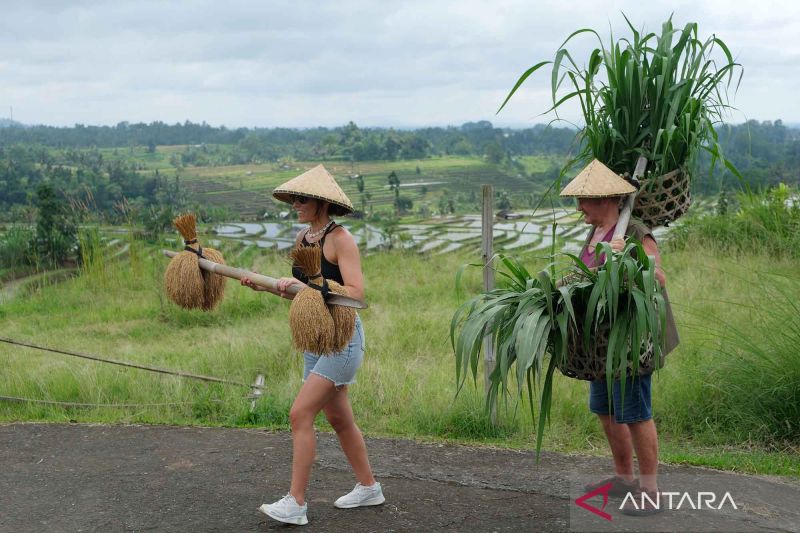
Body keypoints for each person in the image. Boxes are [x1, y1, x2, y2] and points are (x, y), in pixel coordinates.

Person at [241, 165, 383, 526]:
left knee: (299, 414)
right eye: (292, 199)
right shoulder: (303, 239)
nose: (294, 205)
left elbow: (355, 294)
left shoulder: (340, 240)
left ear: (320, 202)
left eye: (300, 199)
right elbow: (304, 299)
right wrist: (268, 287)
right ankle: (369, 487)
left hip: (343, 339)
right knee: (338, 418)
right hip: (315, 339)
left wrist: (305, 288)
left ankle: (296, 502)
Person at [560, 159, 679, 516]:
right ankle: (624, 479)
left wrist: (625, 257)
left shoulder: (635, 231)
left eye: (584, 200)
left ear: (606, 199)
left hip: (631, 339)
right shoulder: (595, 232)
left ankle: (650, 490)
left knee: (635, 412)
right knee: (606, 410)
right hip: (600, 343)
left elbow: (658, 278)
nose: (579, 207)